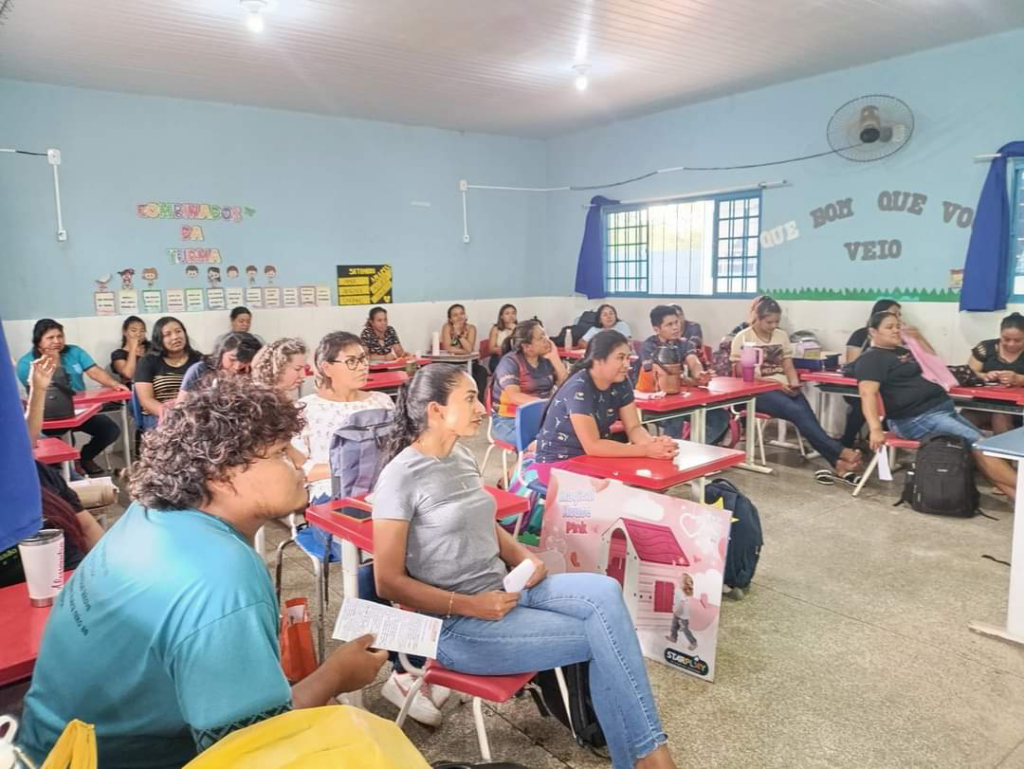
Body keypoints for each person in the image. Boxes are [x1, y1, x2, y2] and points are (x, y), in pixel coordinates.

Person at [17, 379, 388, 766]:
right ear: (220, 473)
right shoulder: (222, 573)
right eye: (280, 452)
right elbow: (247, 748)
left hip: (46, 747)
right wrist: (336, 675)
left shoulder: (149, 515)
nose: (299, 463)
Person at [372, 363, 677, 769]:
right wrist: (470, 606)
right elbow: (387, 581)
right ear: (435, 410)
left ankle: (643, 757)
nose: (483, 408)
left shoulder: (460, 456)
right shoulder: (399, 478)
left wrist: (525, 557)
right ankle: (650, 756)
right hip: (459, 626)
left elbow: (485, 524)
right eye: (469, 399)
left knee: (605, 593)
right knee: (604, 638)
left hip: (509, 588)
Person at [856, 310, 1018, 499]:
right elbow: (867, 393)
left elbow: (933, 360)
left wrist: (918, 337)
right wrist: (875, 428)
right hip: (917, 418)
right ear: (873, 332)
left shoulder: (903, 351)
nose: (896, 330)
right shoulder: (871, 358)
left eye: (898, 326)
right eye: (889, 327)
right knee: (981, 445)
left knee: (980, 445)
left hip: (940, 410)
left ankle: (1017, 498)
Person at [730, 297, 862, 483]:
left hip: (783, 388)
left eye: (777, 321)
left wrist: (793, 383)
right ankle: (840, 451)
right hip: (757, 392)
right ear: (757, 318)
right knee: (797, 411)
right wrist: (775, 384)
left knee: (806, 415)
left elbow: (788, 364)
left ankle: (837, 463)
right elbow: (740, 374)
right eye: (769, 322)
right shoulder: (743, 337)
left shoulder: (781, 336)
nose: (773, 325)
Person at [531, 330, 678, 485]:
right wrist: (646, 451)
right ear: (598, 360)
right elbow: (593, 446)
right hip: (557, 465)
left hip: (593, 460)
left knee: (635, 477)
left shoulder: (621, 381)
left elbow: (634, 427)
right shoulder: (579, 387)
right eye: (620, 358)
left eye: (628, 358)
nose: (627, 365)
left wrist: (653, 445)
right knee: (612, 487)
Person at [16, 318, 127, 476]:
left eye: (60, 336)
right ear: (38, 341)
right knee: (66, 444)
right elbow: (38, 391)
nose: (57, 341)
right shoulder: (27, 363)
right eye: (50, 338)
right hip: (50, 417)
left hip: (81, 411)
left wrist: (113, 384)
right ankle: (71, 473)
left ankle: (85, 458)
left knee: (110, 430)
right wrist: (54, 361)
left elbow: (94, 371)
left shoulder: (74, 351)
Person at [293, 332, 394, 504]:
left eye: (363, 359)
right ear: (327, 368)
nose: (363, 367)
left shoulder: (381, 401)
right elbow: (300, 468)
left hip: (384, 487)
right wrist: (352, 468)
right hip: (332, 492)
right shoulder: (306, 409)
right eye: (352, 362)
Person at [637, 305, 729, 445]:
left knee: (720, 416)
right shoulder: (649, 346)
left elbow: (693, 361)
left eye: (677, 322)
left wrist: (700, 375)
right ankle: (669, 456)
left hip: (676, 400)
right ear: (657, 329)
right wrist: (688, 381)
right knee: (675, 417)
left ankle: (693, 450)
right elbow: (658, 377)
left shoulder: (684, 343)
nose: (676, 327)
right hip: (650, 403)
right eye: (669, 324)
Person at [490, 320, 568, 445]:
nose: (546, 339)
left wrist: (555, 358)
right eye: (540, 337)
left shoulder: (545, 359)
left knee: (568, 437)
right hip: (509, 419)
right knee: (543, 443)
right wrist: (547, 404)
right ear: (527, 347)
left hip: (541, 417)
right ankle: (523, 463)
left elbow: (565, 386)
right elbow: (515, 396)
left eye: (545, 334)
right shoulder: (510, 362)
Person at [134, 316, 203, 424]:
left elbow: (207, 392)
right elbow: (146, 400)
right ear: (159, 339)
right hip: (159, 414)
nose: (175, 337)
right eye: (168, 334)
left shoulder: (198, 360)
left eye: (178, 331)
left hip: (192, 413)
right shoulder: (148, 361)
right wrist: (170, 414)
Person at [963, 312, 1024, 434]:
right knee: (964, 420)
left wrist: (1018, 379)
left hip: (1017, 408)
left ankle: (1001, 452)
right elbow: (969, 373)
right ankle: (961, 451)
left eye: (1018, 340)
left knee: (1000, 418)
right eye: (1006, 339)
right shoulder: (985, 347)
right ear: (1000, 334)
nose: (1011, 344)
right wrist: (985, 376)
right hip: (983, 404)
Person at [179, 332, 262, 394]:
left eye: (245, 361)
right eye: (232, 359)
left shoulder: (251, 373)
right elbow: (180, 406)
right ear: (221, 352)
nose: (237, 367)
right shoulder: (200, 370)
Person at [440, 303, 489, 400]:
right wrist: (464, 351)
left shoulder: (471, 328)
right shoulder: (447, 327)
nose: (459, 317)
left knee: (481, 372)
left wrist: (459, 334)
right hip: (451, 363)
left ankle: (479, 404)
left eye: (461, 313)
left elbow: (470, 349)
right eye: (455, 315)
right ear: (450, 319)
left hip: (469, 362)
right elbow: (448, 347)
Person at [110, 315, 150, 385]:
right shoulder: (118, 354)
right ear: (124, 332)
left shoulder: (151, 348)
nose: (138, 334)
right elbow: (128, 375)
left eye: (142, 331)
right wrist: (133, 348)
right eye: (134, 330)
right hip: (133, 389)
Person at [665, 573, 697, 651]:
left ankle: (693, 642)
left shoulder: (683, 592)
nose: (678, 580)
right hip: (678, 612)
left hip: (682, 615)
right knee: (674, 625)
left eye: (680, 579)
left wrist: (676, 610)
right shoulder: (678, 589)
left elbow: (682, 605)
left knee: (685, 630)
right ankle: (673, 637)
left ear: (684, 583)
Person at [486, 303, 518, 371]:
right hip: (499, 357)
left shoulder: (519, 328)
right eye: (507, 313)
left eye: (513, 313)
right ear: (501, 316)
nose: (511, 316)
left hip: (516, 358)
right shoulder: (496, 329)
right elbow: (491, 349)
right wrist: (503, 350)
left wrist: (515, 330)